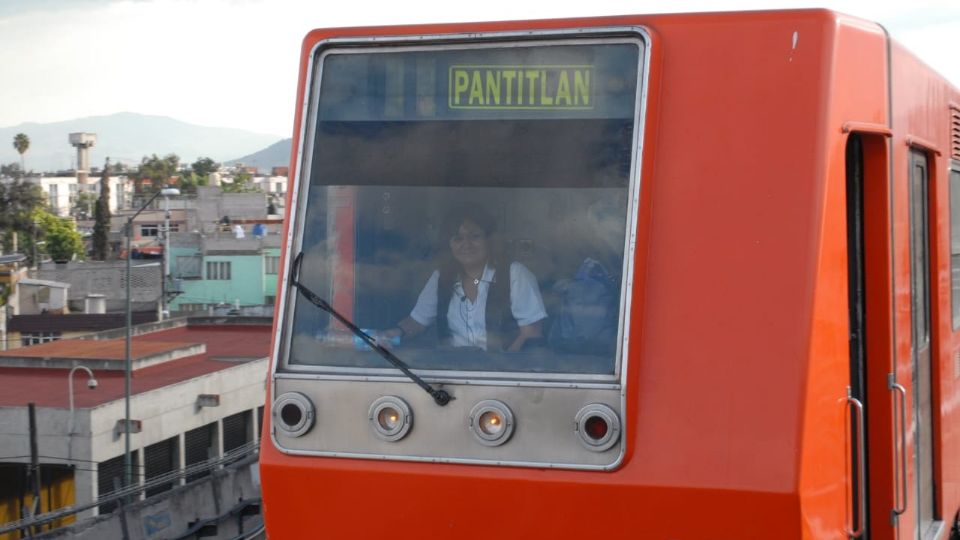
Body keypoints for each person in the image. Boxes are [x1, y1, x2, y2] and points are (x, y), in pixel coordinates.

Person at [384, 205, 547, 352]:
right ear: (449, 244)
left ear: (489, 241)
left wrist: (504, 368)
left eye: (475, 236)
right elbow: (417, 321)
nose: (466, 244)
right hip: (455, 371)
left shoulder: (515, 274)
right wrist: (393, 334)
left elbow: (530, 334)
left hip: (501, 375)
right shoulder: (441, 277)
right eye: (458, 238)